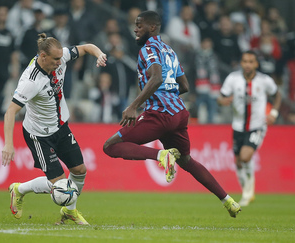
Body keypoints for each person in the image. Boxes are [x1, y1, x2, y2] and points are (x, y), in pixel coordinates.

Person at [103, 10, 241, 218]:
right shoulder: (169, 50)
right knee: (186, 160)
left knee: (110, 146)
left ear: (152, 27)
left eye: (139, 25)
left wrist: (134, 106)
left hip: (159, 114)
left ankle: (161, 155)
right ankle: (227, 200)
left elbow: (156, 77)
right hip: (179, 113)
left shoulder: (148, 49)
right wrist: (169, 95)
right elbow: (184, 85)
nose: (135, 29)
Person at [2, 33, 107, 225]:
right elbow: (10, 112)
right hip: (39, 135)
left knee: (80, 170)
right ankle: (18, 189)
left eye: (61, 57)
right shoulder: (31, 82)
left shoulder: (61, 56)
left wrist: (99, 53)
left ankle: (69, 211)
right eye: (56, 59)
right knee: (58, 184)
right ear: (43, 56)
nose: (60, 62)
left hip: (60, 127)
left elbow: (86, 47)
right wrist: (8, 144)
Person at [217, 50, 282, 206]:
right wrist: (223, 101)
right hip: (238, 126)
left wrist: (274, 112)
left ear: (256, 64)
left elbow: (277, 95)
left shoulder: (264, 80)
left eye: (251, 61)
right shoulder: (233, 79)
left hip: (257, 126)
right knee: (239, 162)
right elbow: (221, 96)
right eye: (245, 61)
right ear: (241, 63)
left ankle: (248, 193)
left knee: (246, 157)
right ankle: (247, 191)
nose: (247, 64)